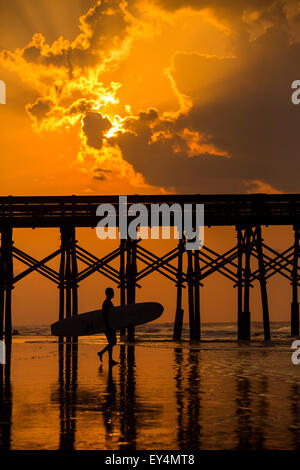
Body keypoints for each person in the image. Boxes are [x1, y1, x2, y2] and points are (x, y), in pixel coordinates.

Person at [97, 287, 118, 367]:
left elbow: (112, 315)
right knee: (113, 342)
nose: (113, 293)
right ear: (109, 294)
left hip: (110, 325)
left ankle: (110, 359)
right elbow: (105, 316)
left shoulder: (109, 302)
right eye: (112, 292)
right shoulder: (106, 303)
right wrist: (109, 326)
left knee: (111, 342)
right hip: (108, 326)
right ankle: (101, 353)